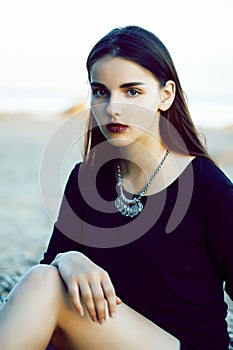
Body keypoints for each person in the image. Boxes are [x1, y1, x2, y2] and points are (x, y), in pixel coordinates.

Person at [0, 25, 232, 350]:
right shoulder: (87, 180)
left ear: (166, 95)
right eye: (101, 91)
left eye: (132, 92)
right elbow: (52, 268)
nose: (112, 108)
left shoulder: (207, 187)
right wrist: (69, 258)